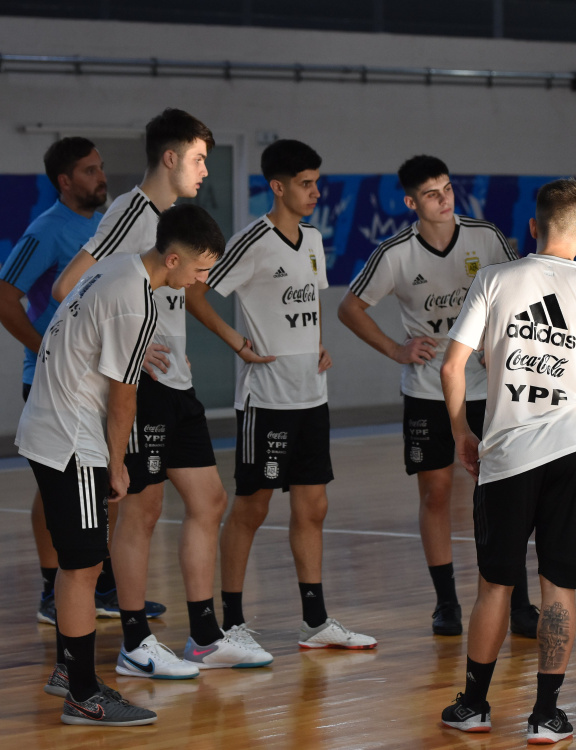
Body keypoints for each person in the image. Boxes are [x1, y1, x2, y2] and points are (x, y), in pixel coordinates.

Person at [54, 109, 269, 678]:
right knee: (142, 511)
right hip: (143, 386)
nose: (204, 170)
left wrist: (231, 338)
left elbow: (187, 288)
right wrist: (131, 342)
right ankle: (133, 643)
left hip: (180, 384)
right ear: (170, 158)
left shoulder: (173, 220)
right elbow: (68, 286)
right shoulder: (132, 213)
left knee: (209, 500)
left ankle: (203, 637)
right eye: (198, 159)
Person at [438, 179, 576, 743]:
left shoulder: (495, 278)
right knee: (560, 588)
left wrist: (461, 430)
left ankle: (475, 706)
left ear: (532, 228)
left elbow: (451, 367)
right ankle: (545, 715)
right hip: (574, 449)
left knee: (495, 586)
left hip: (506, 454)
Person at [16, 203, 223, 726]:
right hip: (71, 438)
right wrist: (117, 463)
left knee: (76, 564)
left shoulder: (117, 263)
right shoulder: (138, 304)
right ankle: (84, 694)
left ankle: (69, 672)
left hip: (47, 424)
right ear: (174, 259)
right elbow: (124, 395)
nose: (202, 281)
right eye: (200, 270)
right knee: (85, 566)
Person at [187, 139, 376, 650]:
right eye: (305, 184)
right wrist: (236, 343)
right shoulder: (251, 240)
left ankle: (315, 623)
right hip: (266, 402)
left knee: (313, 507)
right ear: (278, 187)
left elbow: (307, 304)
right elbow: (194, 291)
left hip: (312, 398)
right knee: (251, 508)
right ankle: (232, 622)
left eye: (317, 182)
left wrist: (317, 345)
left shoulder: (313, 239)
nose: (316, 192)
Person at [338, 155, 538, 638]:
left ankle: (518, 600)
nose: (444, 198)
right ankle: (446, 601)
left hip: (488, 388)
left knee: (502, 493)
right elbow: (350, 307)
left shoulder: (484, 236)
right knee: (437, 493)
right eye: (432, 193)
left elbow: (519, 290)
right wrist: (395, 348)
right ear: (411, 202)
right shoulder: (395, 254)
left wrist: (501, 341)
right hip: (428, 390)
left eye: (448, 188)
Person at [0, 137, 107, 626]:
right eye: (89, 171)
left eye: (100, 167)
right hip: (52, 384)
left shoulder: (107, 227)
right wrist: (43, 347)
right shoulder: (46, 231)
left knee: (102, 484)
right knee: (55, 486)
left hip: (99, 380)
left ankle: (100, 584)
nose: (99, 177)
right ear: (65, 181)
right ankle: (51, 587)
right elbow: (5, 295)